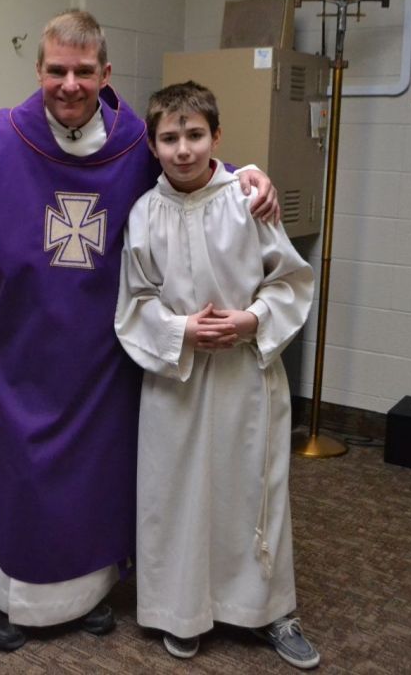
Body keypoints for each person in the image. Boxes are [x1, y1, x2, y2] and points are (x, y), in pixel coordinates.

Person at [0, 10, 281, 651]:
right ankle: (19, 600)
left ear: (106, 73)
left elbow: (192, 171)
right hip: (26, 347)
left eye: (84, 71)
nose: (70, 84)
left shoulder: (135, 141)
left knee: (100, 473)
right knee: (26, 471)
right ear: (38, 70)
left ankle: (91, 595)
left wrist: (250, 173)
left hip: (106, 347)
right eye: (57, 70)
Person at [114, 81, 319, 669]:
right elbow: (134, 302)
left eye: (195, 135)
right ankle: (182, 610)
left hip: (242, 375)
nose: (183, 149)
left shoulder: (247, 201)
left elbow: (290, 281)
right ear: (152, 145)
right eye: (170, 138)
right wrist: (181, 332)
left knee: (252, 491)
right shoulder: (144, 214)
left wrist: (253, 319)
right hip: (176, 379)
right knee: (175, 495)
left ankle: (268, 611)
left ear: (217, 138)